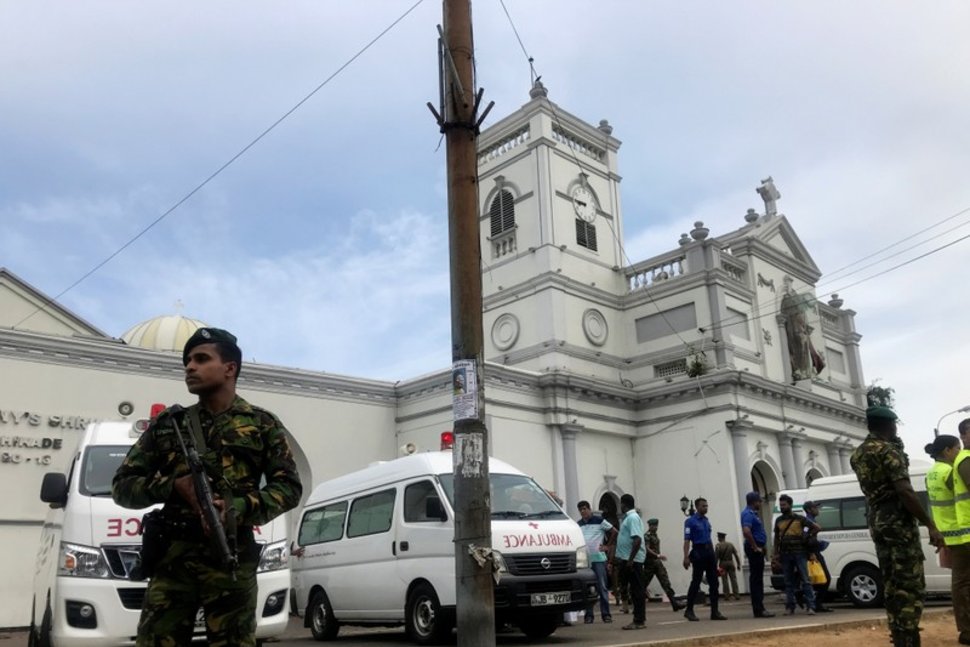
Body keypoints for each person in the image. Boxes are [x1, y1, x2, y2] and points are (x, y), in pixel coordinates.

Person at [112, 327, 303, 647]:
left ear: (230, 368)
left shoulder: (261, 424)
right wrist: (173, 487)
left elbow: (289, 488)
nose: (190, 367)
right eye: (187, 360)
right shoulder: (168, 425)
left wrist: (238, 508)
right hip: (172, 560)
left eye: (201, 359)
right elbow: (122, 486)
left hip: (231, 560)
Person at [851, 405, 944, 647]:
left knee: (891, 581)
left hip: (877, 520)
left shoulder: (858, 454)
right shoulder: (888, 451)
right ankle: (908, 636)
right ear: (889, 425)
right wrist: (930, 524)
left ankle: (899, 631)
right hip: (898, 521)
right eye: (894, 425)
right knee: (909, 583)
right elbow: (904, 490)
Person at [772, 494, 819, 615]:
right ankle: (790, 606)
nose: (782, 507)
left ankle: (811, 606)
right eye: (781, 505)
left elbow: (816, 527)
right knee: (788, 582)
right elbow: (777, 538)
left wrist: (806, 536)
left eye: (784, 505)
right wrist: (775, 553)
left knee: (805, 579)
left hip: (799, 553)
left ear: (790, 505)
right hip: (785, 554)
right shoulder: (779, 520)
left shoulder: (799, 519)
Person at [682, 497, 726, 621]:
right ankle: (689, 610)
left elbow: (709, 538)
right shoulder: (690, 522)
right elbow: (686, 540)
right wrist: (686, 557)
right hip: (698, 551)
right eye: (703, 506)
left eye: (706, 506)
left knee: (714, 582)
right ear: (697, 507)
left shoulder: (706, 521)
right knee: (696, 582)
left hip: (709, 552)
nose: (705, 508)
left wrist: (714, 556)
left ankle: (715, 611)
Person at [947, 424, 970, 644]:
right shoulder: (966, 460)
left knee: (962, 582)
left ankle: (967, 630)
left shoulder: (961, 460)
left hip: (963, 533)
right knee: (962, 583)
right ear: (963, 435)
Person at [577, 500, 618, 624]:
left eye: (585, 509)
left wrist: (607, 546)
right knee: (587, 588)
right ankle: (589, 615)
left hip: (598, 559)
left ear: (589, 509)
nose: (583, 511)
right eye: (581, 510)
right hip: (585, 561)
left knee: (602, 587)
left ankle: (606, 614)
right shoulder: (578, 524)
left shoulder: (599, 521)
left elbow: (614, 531)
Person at [614, 493, 647, 630]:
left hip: (633, 560)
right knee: (633, 589)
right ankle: (638, 618)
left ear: (623, 504)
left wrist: (630, 560)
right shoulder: (629, 518)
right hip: (628, 559)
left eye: (620, 504)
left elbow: (637, 539)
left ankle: (639, 620)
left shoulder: (632, 518)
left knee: (637, 590)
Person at [741, 491, 775, 618]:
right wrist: (755, 546)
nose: (761, 503)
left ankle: (759, 607)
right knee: (756, 579)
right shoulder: (748, 514)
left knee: (757, 578)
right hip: (754, 549)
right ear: (754, 502)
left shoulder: (752, 514)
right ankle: (759, 608)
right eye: (759, 501)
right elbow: (746, 531)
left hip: (757, 547)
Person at [643, 518, 686, 611]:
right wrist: (657, 555)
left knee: (665, 582)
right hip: (650, 563)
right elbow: (646, 549)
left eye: (656, 525)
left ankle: (674, 603)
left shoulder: (655, 535)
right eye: (653, 525)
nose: (655, 527)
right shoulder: (647, 536)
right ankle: (637, 605)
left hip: (657, 563)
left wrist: (658, 557)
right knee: (642, 584)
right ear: (650, 526)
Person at [801, 501, 834, 612]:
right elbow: (804, 537)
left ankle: (815, 603)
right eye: (815, 507)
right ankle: (812, 601)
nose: (818, 510)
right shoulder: (808, 522)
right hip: (812, 553)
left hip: (814, 552)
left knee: (819, 579)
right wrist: (811, 553)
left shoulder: (812, 520)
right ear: (809, 510)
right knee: (825, 578)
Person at [715, 532, 741, 601]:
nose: (718, 538)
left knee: (724, 580)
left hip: (723, 564)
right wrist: (738, 564)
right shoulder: (730, 544)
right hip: (731, 562)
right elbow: (736, 555)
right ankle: (737, 595)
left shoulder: (718, 546)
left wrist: (715, 566)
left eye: (718, 537)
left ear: (720, 537)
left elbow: (716, 557)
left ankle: (727, 595)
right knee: (733, 579)